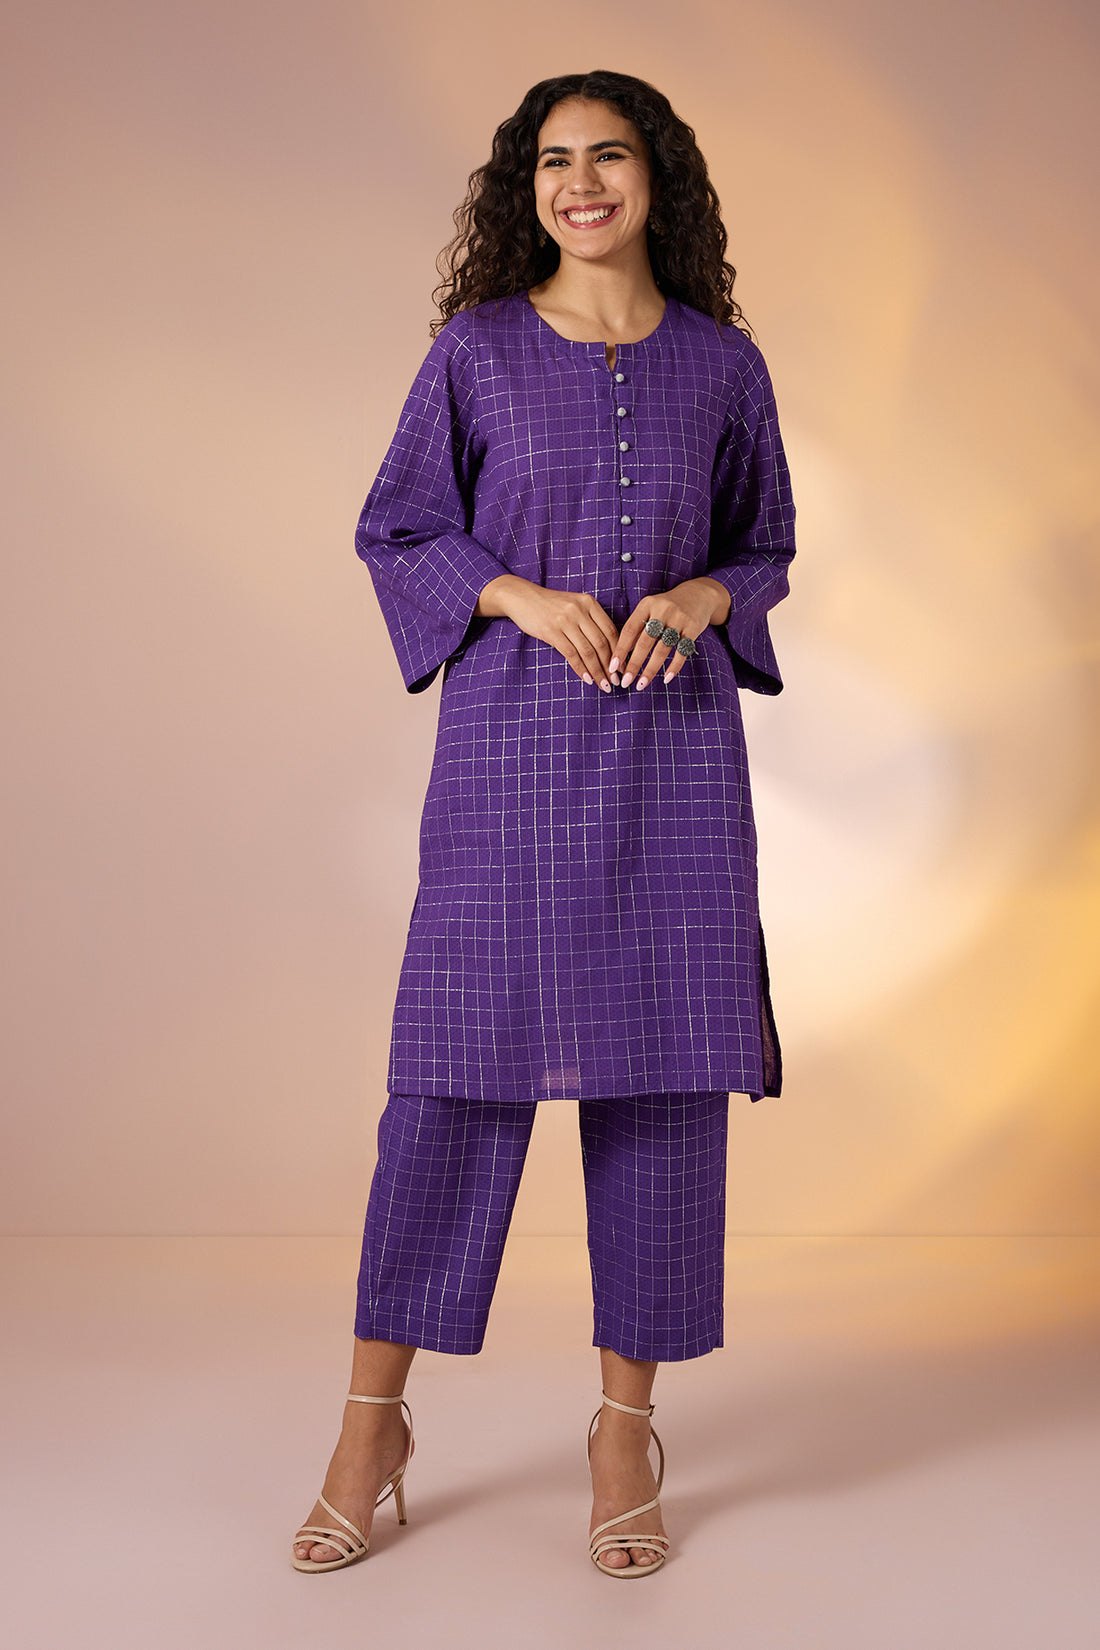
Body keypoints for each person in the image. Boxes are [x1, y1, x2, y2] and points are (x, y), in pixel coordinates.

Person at [291, 68, 796, 1580]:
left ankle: (624, 1433)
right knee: (451, 1084)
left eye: (609, 155)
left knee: (662, 1089)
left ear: (658, 179)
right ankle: (371, 1429)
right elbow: (397, 523)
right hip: (510, 759)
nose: (581, 183)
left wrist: (705, 594)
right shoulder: (479, 351)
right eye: (554, 160)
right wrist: (513, 593)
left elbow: (766, 545)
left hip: (675, 766)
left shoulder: (723, 365)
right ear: (528, 188)